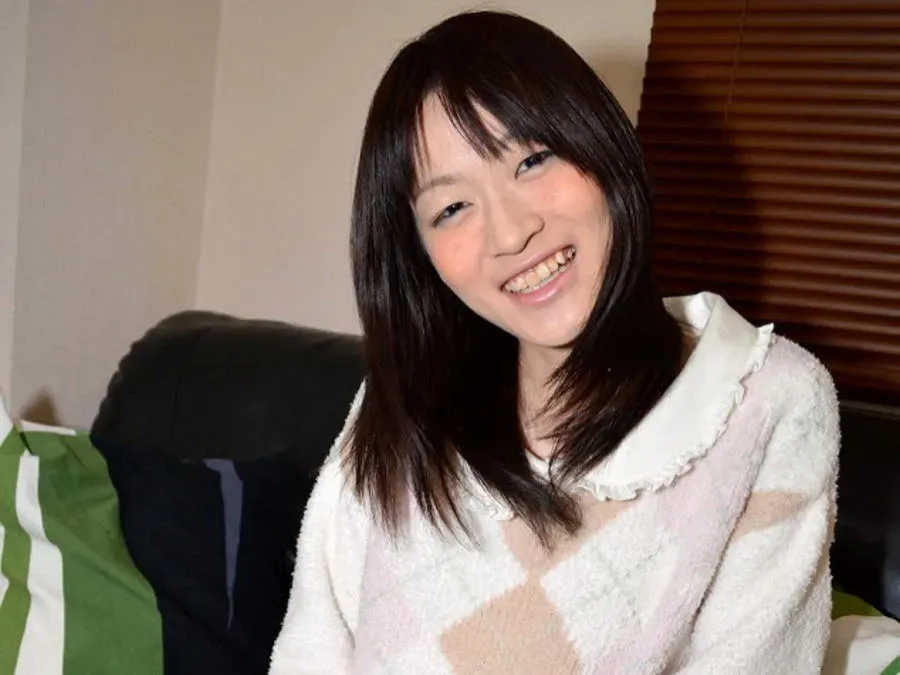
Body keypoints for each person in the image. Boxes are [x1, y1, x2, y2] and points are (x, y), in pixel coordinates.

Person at [270, 10, 839, 675]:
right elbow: (313, 646)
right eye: (452, 208)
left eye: (532, 160)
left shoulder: (764, 399)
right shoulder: (403, 401)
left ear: (599, 145)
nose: (511, 232)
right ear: (419, 255)